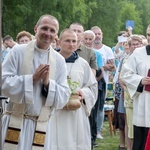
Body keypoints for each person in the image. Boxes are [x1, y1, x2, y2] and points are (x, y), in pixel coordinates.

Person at [1, 14, 70, 150]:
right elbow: (3, 82)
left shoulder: (59, 61)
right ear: (35, 29)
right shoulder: (17, 52)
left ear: (56, 35)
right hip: (15, 122)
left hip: (42, 125)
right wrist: (31, 79)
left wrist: (47, 84)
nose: (47, 33)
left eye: (52, 30)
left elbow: (64, 95)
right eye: (44, 28)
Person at [44, 28, 98, 150]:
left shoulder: (83, 64)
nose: (71, 44)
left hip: (75, 112)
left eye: (74, 41)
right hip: (54, 111)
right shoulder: (50, 61)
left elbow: (92, 86)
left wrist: (82, 92)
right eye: (67, 41)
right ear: (59, 42)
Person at [122, 36, 150, 150]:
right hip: (144, 101)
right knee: (142, 140)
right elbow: (127, 74)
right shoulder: (138, 53)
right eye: (149, 34)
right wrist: (140, 80)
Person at [91, 26, 115, 139]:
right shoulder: (87, 48)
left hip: (102, 82)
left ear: (102, 35)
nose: (97, 36)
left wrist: (101, 66)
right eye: (94, 34)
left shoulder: (107, 50)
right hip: (90, 81)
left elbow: (112, 67)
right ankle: (90, 129)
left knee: (99, 107)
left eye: (99, 33)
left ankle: (98, 131)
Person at [83, 29, 104, 147]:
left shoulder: (96, 54)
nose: (88, 41)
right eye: (86, 38)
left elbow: (99, 71)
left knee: (93, 113)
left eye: (90, 39)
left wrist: (92, 82)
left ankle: (92, 137)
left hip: (93, 85)